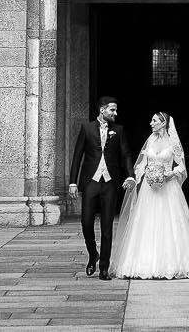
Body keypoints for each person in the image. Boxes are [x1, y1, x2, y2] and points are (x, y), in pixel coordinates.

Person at [111, 112, 189, 279]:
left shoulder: (172, 142)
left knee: (169, 221)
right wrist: (137, 178)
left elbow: (181, 167)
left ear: (163, 123)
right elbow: (141, 164)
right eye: (151, 120)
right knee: (146, 222)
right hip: (149, 188)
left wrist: (170, 174)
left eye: (154, 120)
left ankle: (172, 264)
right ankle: (144, 262)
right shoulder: (150, 141)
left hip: (168, 188)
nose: (151, 123)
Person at [67, 95, 133, 279]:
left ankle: (104, 266)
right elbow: (77, 156)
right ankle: (92, 254)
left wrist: (130, 175)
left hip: (110, 183)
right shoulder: (87, 128)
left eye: (116, 110)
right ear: (102, 110)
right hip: (91, 182)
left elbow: (126, 154)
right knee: (86, 222)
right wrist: (73, 182)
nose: (115, 113)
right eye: (112, 110)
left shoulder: (118, 130)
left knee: (107, 225)